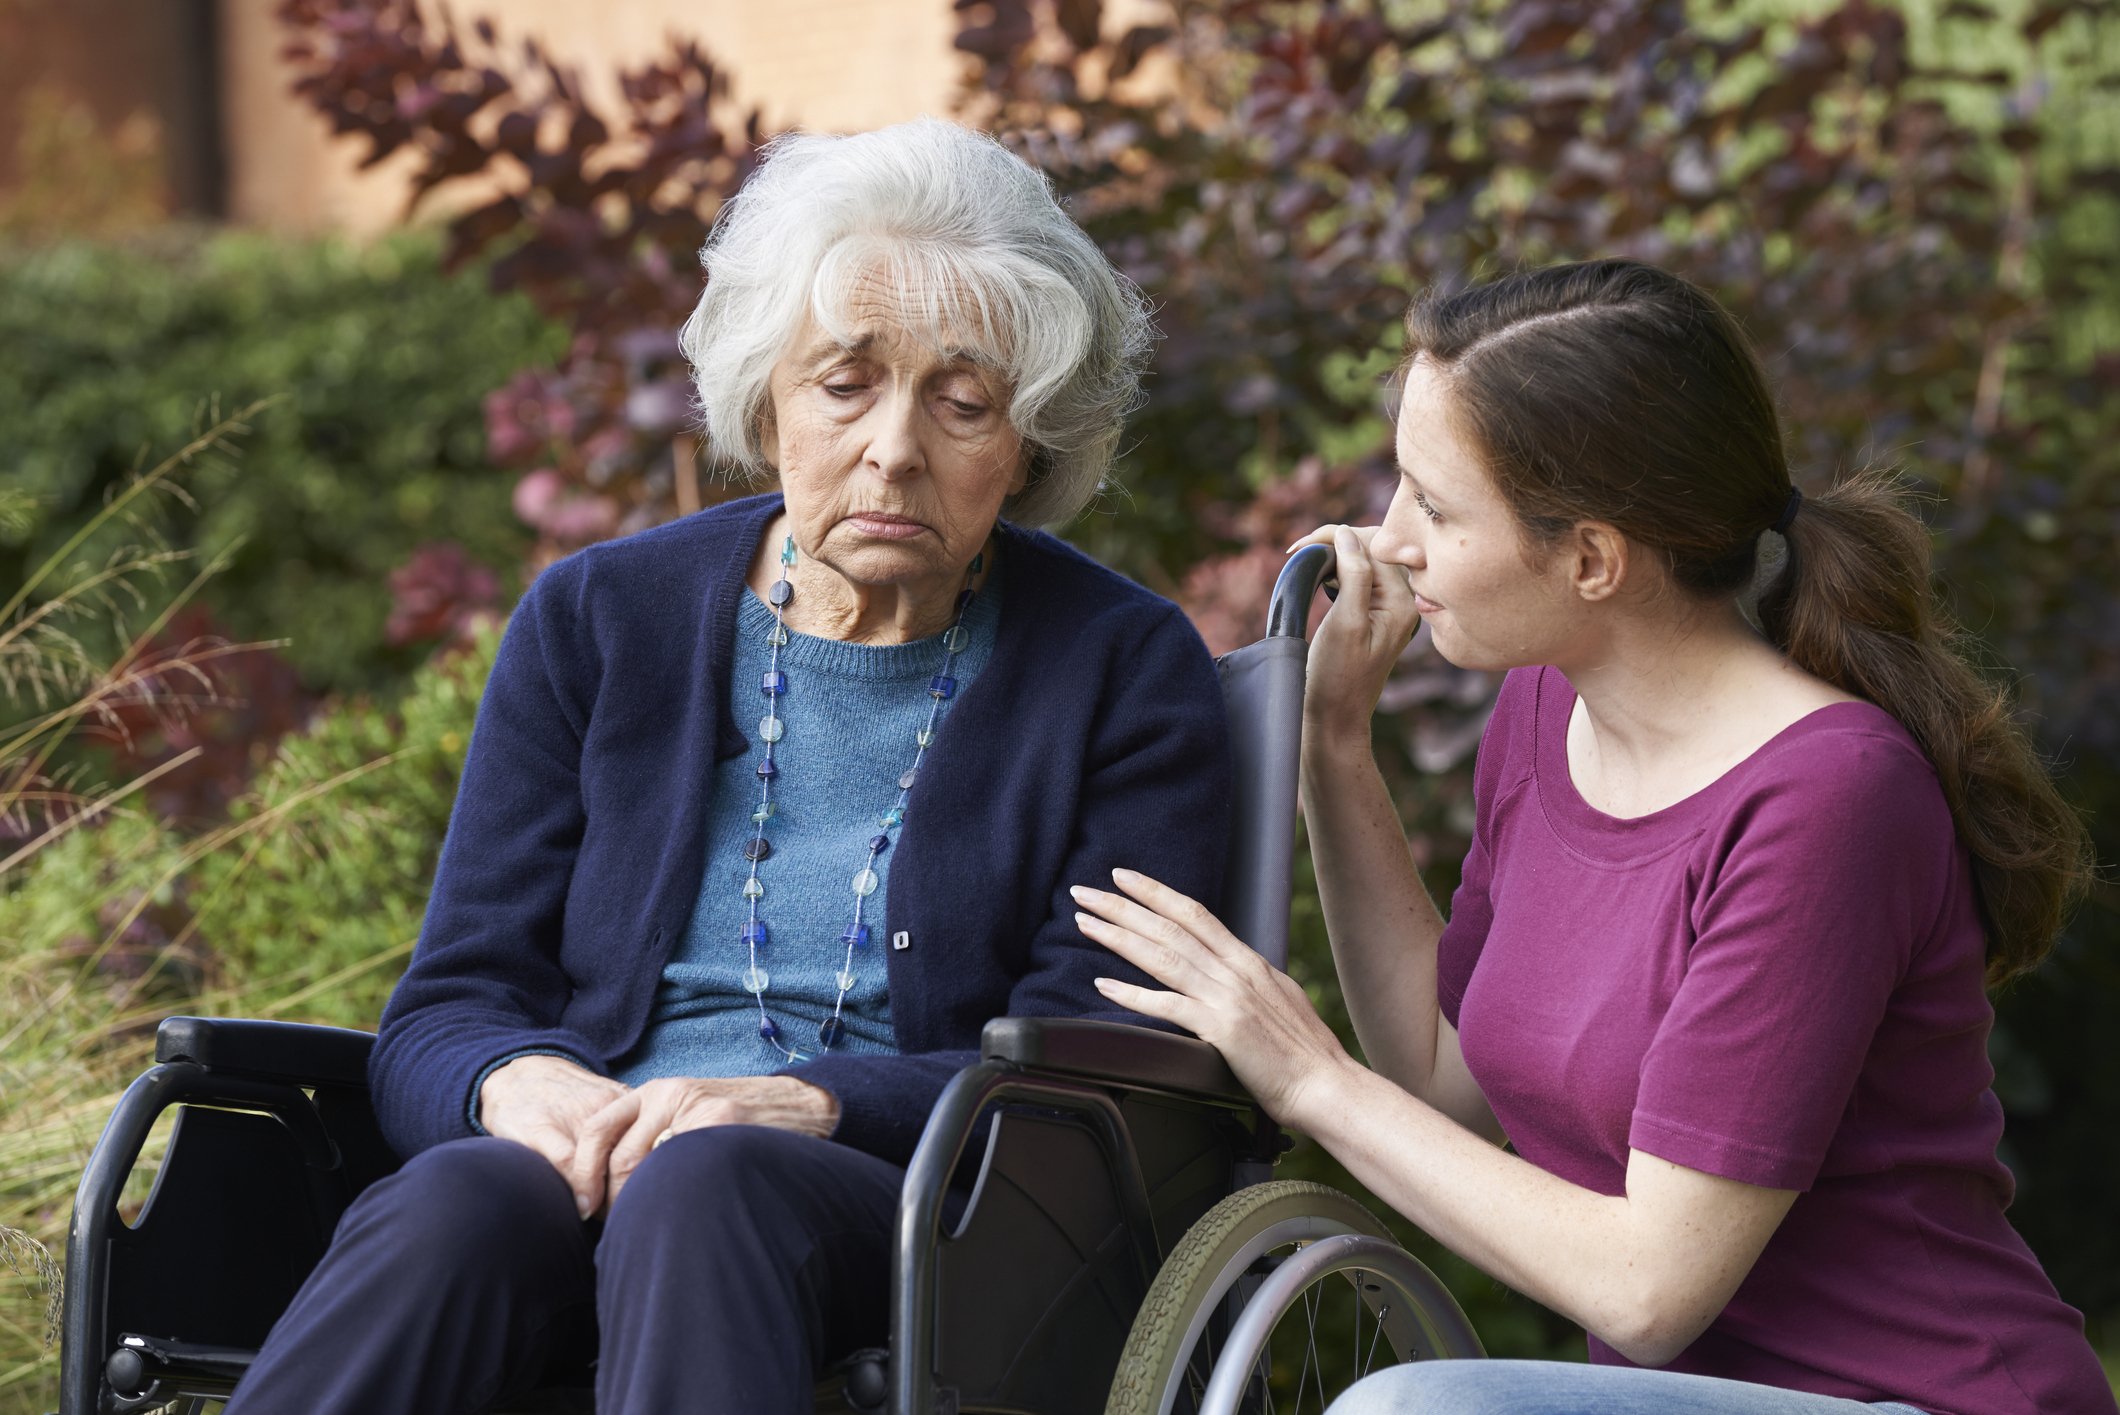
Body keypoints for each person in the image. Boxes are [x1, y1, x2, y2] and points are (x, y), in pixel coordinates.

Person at [222, 117, 1231, 1415]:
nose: (894, 446)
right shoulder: (598, 617)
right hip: (588, 1155)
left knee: (709, 1181)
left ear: (1031, 442)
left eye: (964, 400)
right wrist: (507, 1078)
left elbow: (1094, 1059)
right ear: (766, 396)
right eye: (844, 382)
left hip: (929, 1212)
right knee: (461, 1193)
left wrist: (811, 1103)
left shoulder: (1119, 664)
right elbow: (449, 1003)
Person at [1072, 260, 2113, 1414]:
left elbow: (1647, 1288)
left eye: (1436, 504)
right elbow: (1434, 1070)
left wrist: (1305, 1075)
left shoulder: (1828, 799)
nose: (1389, 539)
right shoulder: (1541, 714)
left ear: (1591, 559)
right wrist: (1331, 742)